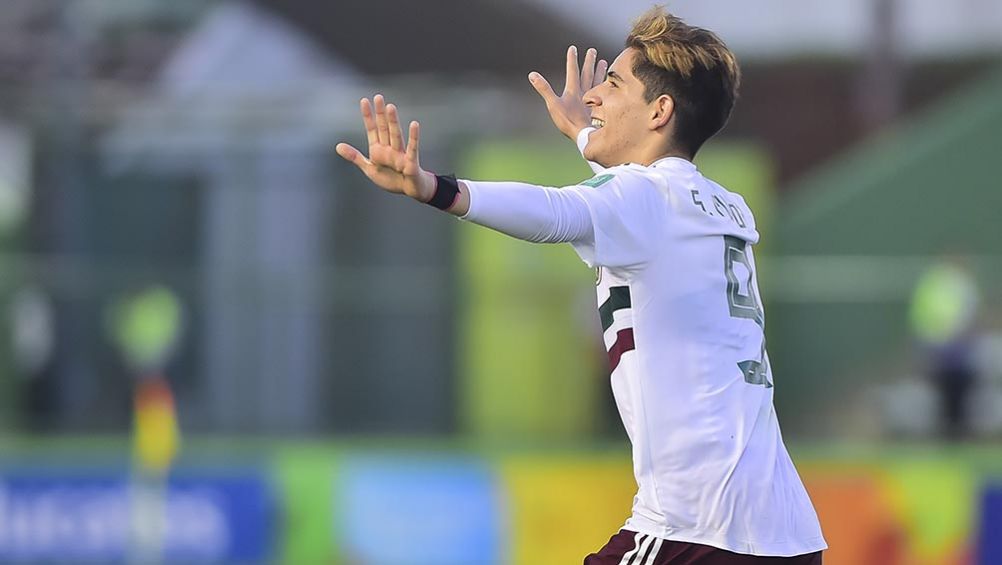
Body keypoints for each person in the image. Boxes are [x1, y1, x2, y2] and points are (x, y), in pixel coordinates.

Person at [336, 6, 826, 564]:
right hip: (786, 531)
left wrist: (433, 187)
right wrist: (587, 138)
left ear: (660, 111)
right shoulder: (722, 205)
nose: (592, 97)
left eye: (613, 85)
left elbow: (556, 211)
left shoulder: (645, 201)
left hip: (699, 523)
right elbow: (635, 197)